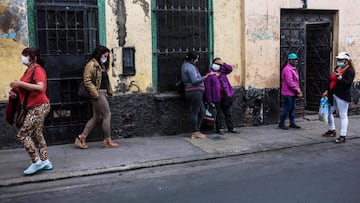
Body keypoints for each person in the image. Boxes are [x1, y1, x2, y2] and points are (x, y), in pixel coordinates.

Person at [9, 47, 53, 175]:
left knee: (23, 134)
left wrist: (19, 84)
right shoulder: (28, 70)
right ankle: (45, 161)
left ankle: (36, 162)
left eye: (25, 55)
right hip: (34, 106)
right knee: (37, 134)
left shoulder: (38, 69)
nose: (23, 58)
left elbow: (40, 87)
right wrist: (15, 95)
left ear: (32, 58)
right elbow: (26, 90)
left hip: (39, 106)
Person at [74, 45, 119, 149]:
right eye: (104, 55)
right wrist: (96, 94)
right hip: (97, 93)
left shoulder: (101, 65)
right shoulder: (91, 65)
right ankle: (107, 140)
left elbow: (105, 81)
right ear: (99, 54)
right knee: (107, 115)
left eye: (107, 56)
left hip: (101, 93)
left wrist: (109, 91)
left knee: (96, 117)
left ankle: (82, 137)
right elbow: (87, 80)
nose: (106, 58)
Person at [322, 52, 355, 144]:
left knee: (343, 115)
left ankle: (343, 136)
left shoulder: (350, 71)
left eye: (341, 60)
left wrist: (340, 78)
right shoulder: (337, 68)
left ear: (346, 61)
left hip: (342, 95)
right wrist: (327, 90)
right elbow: (330, 79)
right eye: (338, 60)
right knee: (328, 112)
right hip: (333, 94)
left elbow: (348, 84)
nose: (339, 61)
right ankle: (331, 130)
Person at [181, 51, 211, 139]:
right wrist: (205, 77)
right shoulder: (189, 67)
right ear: (192, 59)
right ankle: (195, 132)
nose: (197, 60)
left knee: (202, 110)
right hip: (194, 91)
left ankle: (197, 130)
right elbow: (194, 80)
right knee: (195, 111)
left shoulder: (186, 65)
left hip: (195, 91)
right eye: (197, 58)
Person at [204, 57, 237, 134]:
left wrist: (223, 63)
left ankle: (230, 127)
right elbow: (208, 89)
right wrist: (209, 100)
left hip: (225, 96)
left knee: (228, 112)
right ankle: (219, 128)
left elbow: (230, 69)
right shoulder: (210, 75)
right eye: (216, 63)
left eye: (218, 64)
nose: (217, 65)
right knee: (218, 114)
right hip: (216, 97)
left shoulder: (223, 72)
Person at [278, 53, 303, 130]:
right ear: (289, 60)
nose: (295, 61)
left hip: (292, 92)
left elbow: (295, 81)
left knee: (292, 108)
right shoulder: (287, 69)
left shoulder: (292, 69)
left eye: (295, 60)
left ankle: (292, 123)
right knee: (287, 108)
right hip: (288, 93)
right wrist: (297, 89)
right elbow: (290, 82)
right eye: (293, 60)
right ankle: (281, 123)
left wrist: (297, 90)